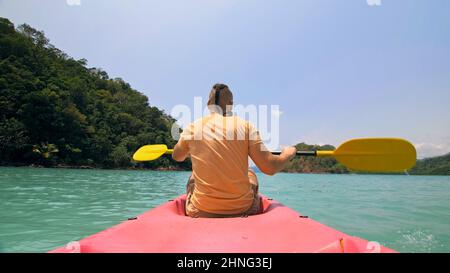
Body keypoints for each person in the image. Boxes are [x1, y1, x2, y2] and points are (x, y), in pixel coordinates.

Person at [172, 83, 297, 218]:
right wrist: (288, 154)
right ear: (231, 105)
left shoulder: (192, 127)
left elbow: (177, 156)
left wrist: (194, 150)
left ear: (209, 104)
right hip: (243, 209)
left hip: (200, 210)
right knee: (250, 173)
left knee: (194, 175)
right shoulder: (246, 126)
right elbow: (270, 168)